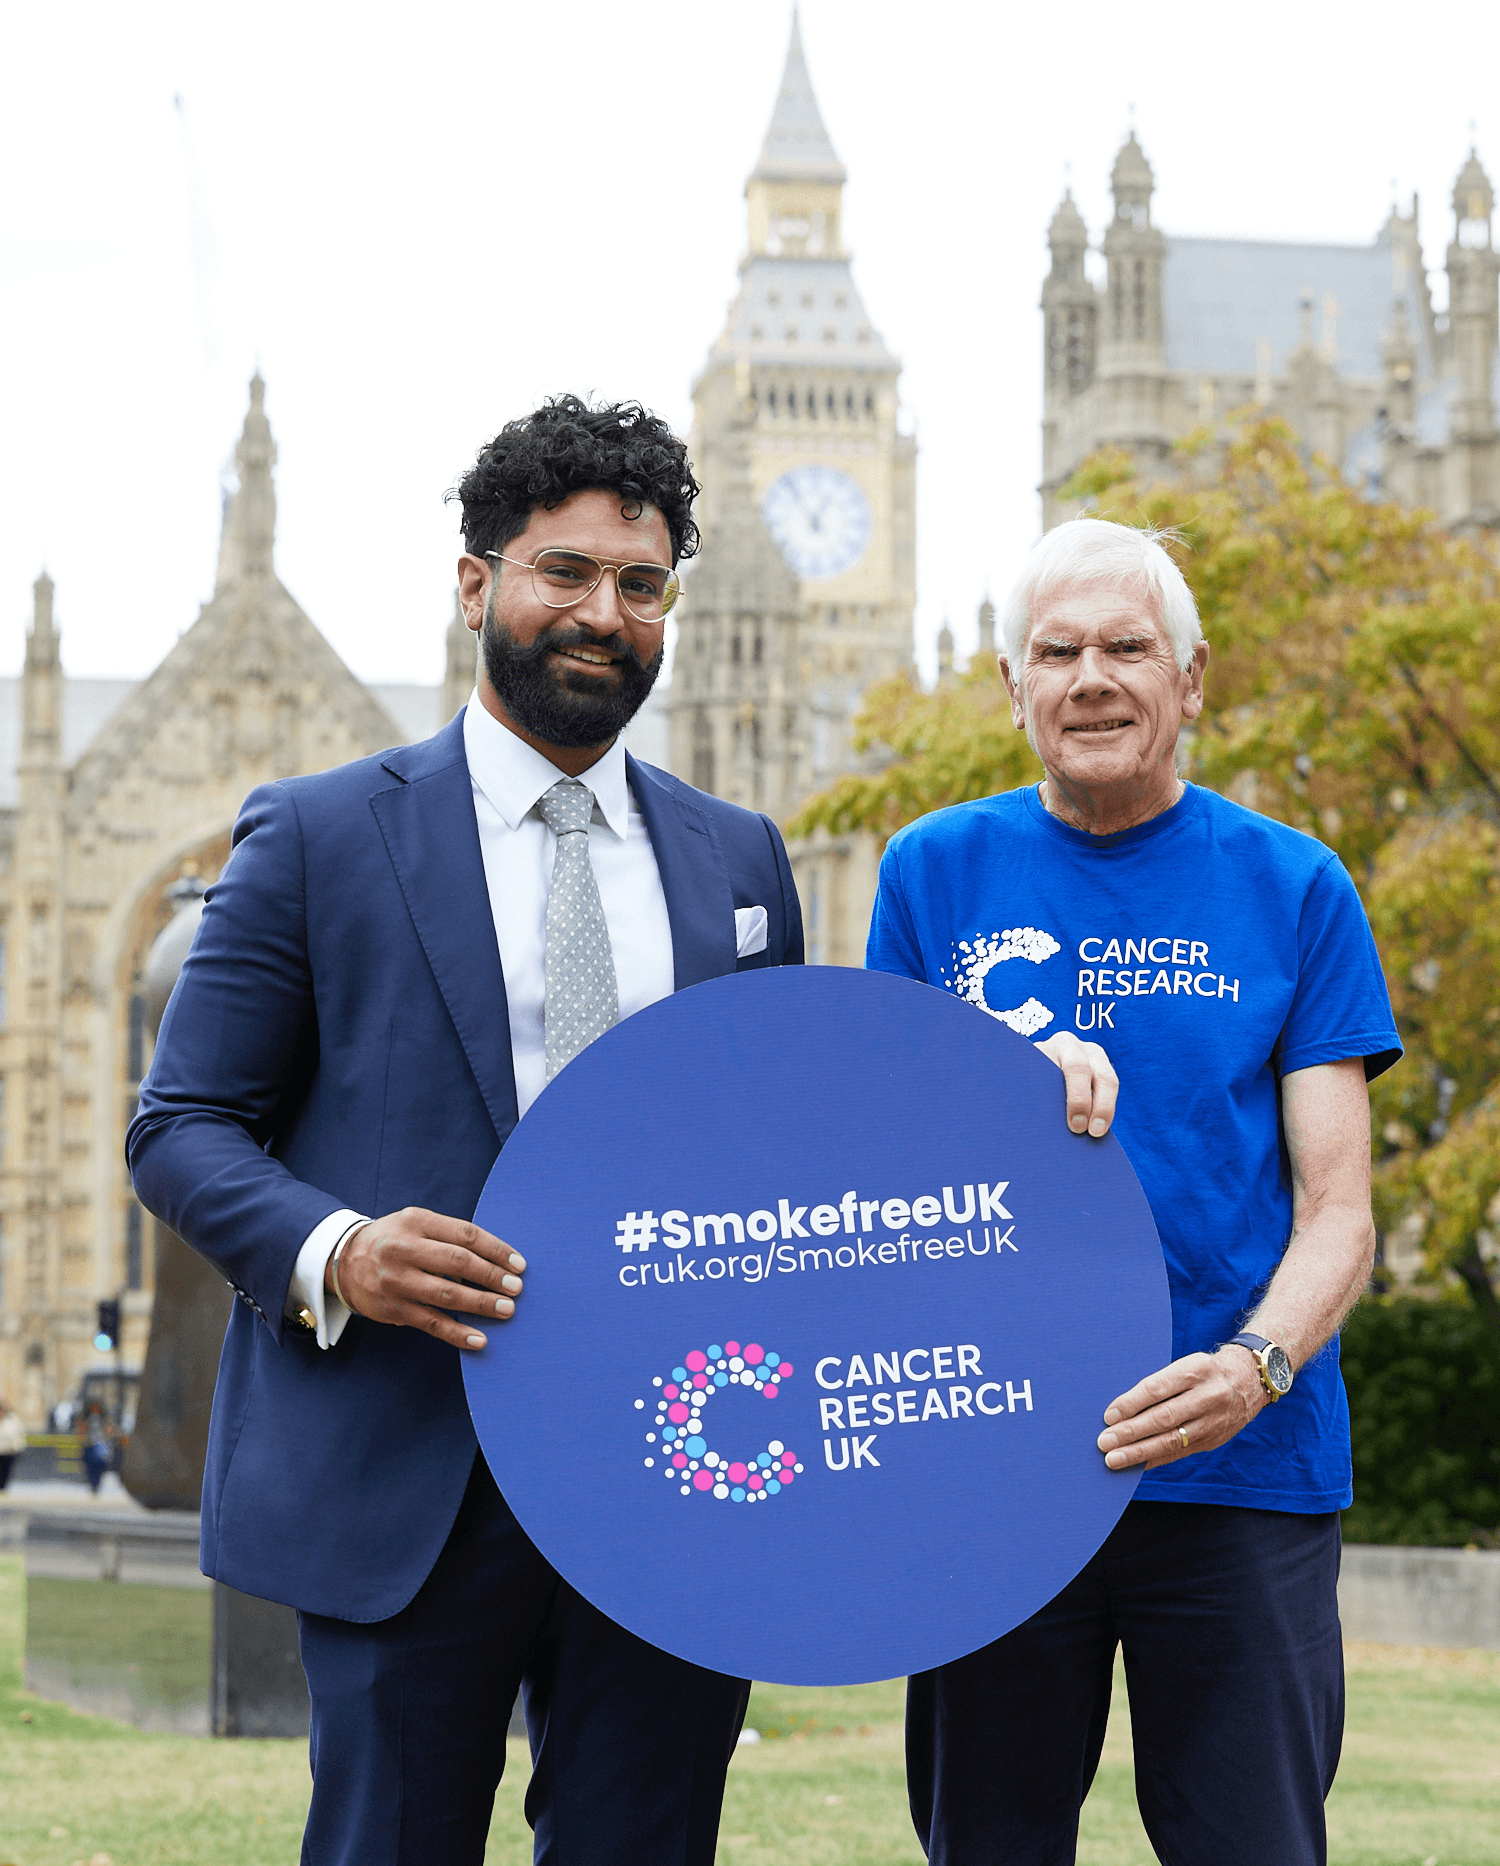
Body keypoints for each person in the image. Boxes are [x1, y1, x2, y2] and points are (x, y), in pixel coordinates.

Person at [127, 396, 804, 1865]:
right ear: (477, 581)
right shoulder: (315, 835)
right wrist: (339, 1247)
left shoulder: (738, 859)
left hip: (672, 1468)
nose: (603, 613)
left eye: (640, 585)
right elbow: (181, 1125)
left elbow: (779, 1155)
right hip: (406, 1467)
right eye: (564, 571)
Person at [866, 517, 1400, 1866]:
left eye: (1126, 646)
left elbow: (1341, 1208)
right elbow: (875, 1176)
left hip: (1240, 1471)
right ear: (1012, 688)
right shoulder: (930, 870)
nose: (1091, 676)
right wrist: (993, 1085)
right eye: (1057, 651)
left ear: (1193, 678)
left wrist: (1255, 1366)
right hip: (999, 1466)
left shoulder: (1294, 884)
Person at [0, 1397, 24, 1489]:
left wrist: (17, 1447)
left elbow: (18, 1434)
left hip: (9, 1450)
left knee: (6, 1471)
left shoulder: (12, 1419)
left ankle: (2, 1488)